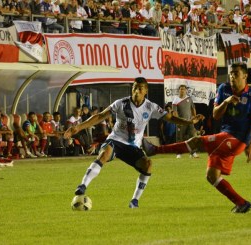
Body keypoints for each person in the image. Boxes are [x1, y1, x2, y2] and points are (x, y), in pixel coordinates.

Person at [64, 77, 204, 208]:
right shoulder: (121, 103)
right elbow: (100, 116)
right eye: (135, 87)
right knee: (104, 154)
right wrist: (78, 127)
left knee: (148, 165)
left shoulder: (151, 107)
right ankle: (82, 185)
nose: (137, 90)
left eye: (140, 88)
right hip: (116, 140)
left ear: (145, 91)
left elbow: (170, 118)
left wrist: (189, 121)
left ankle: (134, 200)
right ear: (132, 89)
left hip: (132, 146)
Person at [142, 63, 251, 213]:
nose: (232, 76)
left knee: (196, 141)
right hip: (224, 136)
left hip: (237, 139)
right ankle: (242, 203)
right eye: (231, 73)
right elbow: (215, 115)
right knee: (212, 176)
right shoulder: (224, 89)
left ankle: (154, 150)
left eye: (236, 73)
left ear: (245, 76)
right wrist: (226, 102)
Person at [173, 85, 198, 158]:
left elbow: (193, 108)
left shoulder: (189, 99)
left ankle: (193, 153)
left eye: (183, 89)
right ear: (179, 90)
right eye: (181, 89)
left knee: (192, 137)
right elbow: (174, 112)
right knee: (179, 138)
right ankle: (178, 153)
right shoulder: (175, 100)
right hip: (181, 122)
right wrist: (178, 121)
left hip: (189, 121)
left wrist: (194, 117)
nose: (182, 90)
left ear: (186, 90)